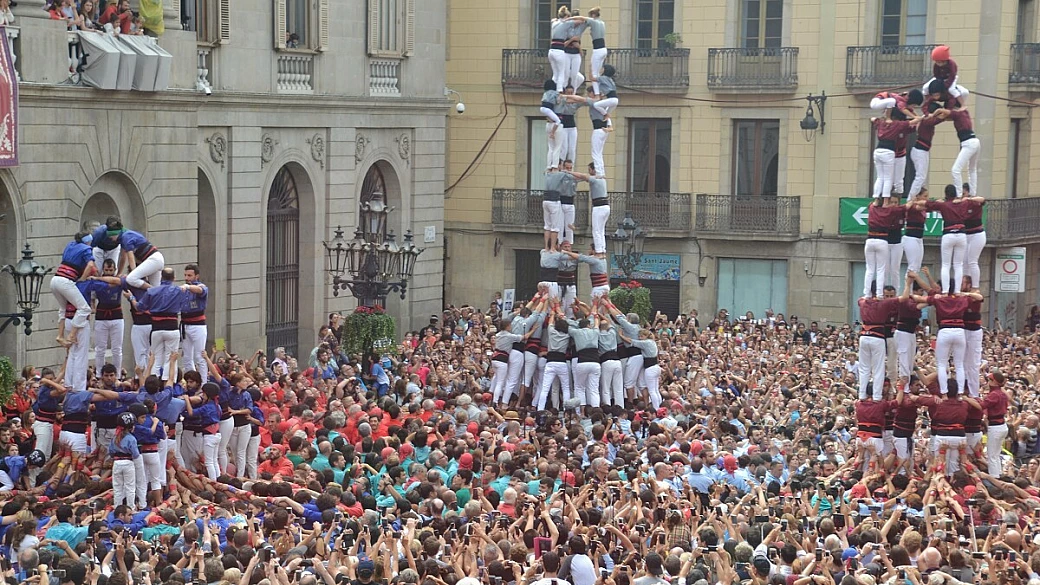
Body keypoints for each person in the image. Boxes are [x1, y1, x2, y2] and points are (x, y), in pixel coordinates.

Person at [918, 185, 974, 293]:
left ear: (946, 194)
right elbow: (978, 201)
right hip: (961, 234)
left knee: (946, 264)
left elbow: (924, 204)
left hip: (948, 234)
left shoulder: (943, 205)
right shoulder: (963, 203)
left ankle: (945, 291)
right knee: (958, 264)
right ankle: (957, 291)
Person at [134, 268, 186, 380]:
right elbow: (184, 305)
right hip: (172, 327)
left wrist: (131, 298)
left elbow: (140, 307)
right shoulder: (178, 291)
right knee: (170, 358)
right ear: (174, 278)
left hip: (156, 328)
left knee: (155, 358)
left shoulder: (151, 291)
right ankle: (168, 384)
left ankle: (153, 383)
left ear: (161, 277)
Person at [50, 232, 96, 351]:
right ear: (87, 241)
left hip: (55, 279)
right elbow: (90, 265)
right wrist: (82, 279)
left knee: (63, 308)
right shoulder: (86, 248)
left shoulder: (70, 245)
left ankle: (60, 335)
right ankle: (72, 334)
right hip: (66, 281)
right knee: (85, 308)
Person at [84, 260, 125, 375]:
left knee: (117, 349)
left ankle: (117, 375)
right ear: (103, 270)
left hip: (117, 316)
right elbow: (92, 294)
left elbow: (115, 282)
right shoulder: (97, 283)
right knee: (100, 348)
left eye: (111, 270)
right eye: (106, 270)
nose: (108, 272)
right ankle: (98, 374)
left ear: (115, 270)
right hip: (101, 316)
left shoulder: (118, 280)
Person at [857, 295, 899, 401]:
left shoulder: (863, 302)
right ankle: (876, 396)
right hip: (877, 336)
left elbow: (860, 300)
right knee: (878, 369)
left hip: (864, 336)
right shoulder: (884, 303)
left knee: (864, 368)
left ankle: (862, 395)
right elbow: (902, 299)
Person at [863, 197, 903, 298]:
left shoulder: (872, 208)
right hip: (882, 241)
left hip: (870, 240)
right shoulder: (888, 211)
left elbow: (872, 203)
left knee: (870, 269)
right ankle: (880, 294)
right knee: (881, 269)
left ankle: (867, 294)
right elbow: (903, 208)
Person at [870, 115, 917, 199]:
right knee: (887, 179)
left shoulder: (901, 126)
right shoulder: (888, 125)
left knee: (897, 180)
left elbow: (915, 124)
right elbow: (873, 119)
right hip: (889, 153)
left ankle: (898, 197)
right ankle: (883, 198)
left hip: (899, 155)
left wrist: (911, 113)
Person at [180, 264, 209, 380]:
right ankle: (191, 381)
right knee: (187, 357)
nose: (187, 278)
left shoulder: (200, 287)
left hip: (197, 326)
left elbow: (200, 290)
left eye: (190, 275)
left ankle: (203, 383)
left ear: (196, 276)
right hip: (185, 324)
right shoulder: (183, 289)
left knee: (200, 356)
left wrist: (187, 287)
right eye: (185, 275)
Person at [110, 411, 140, 509]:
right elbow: (135, 454)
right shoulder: (131, 438)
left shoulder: (115, 437)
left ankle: (117, 507)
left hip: (116, 462)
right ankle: (131, 507)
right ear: (131, 427)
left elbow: (110, 451)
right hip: (128, 462)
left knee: (117, 487)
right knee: (130, 487)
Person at [540, 80, 563, 171]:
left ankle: (548, 165)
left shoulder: (545, 93)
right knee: (558, 121)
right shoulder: (555, 93)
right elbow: (558, 101)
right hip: (548, 110)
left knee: (550, 147)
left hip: (544, 110)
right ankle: (554, 165)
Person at [547, 6, 570, 91]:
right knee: (561, 73)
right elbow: (578, 21)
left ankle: (552, 89)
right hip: (559, 51)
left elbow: (553, 20)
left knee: (555, 73)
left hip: (551, 50)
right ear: (566, 16)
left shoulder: (554, 23)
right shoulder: (566, 23)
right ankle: (559, 90)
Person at [543, 166, 565, 250]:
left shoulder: (547, 173)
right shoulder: (560, 174)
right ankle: (552, 247)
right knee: (555, 227)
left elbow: (545, 172)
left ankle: (546, 247)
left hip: (545, 200)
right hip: (554, 201)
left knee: (547, 225)